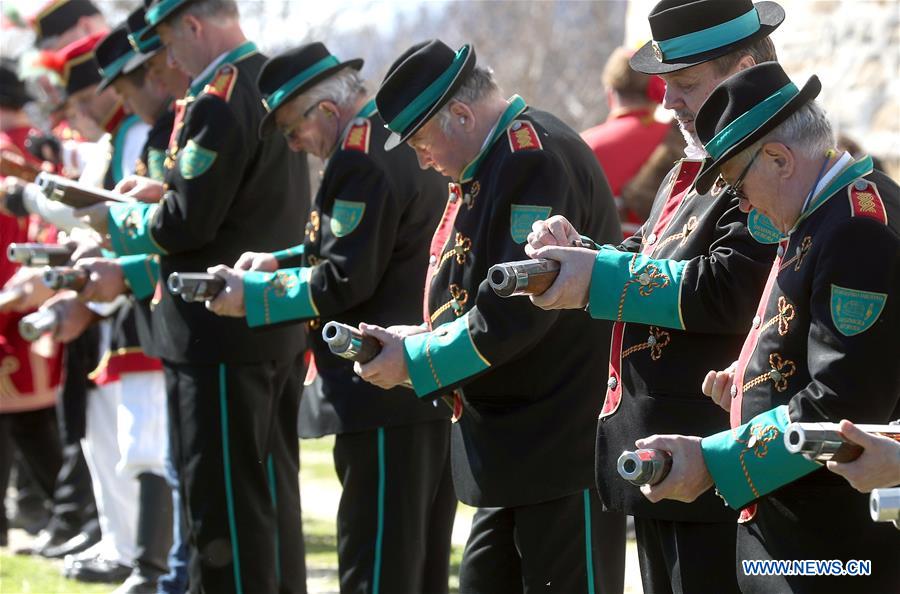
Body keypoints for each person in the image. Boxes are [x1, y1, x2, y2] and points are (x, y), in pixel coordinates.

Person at [523, 1, 784, 592]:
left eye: (685, 84)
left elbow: (730, 287)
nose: (667, 101)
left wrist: (598, 275)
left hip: (712, 450)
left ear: (744, 67)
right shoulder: (697, 159)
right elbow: (653, 253)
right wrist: (583, 250)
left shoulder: (771, 159)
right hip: (663, 450)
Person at [355, 39, 626, 593]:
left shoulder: (532, 157)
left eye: (422, 141)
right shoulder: (498, 161)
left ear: (460, 113)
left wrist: (416, 360)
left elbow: (512, 315)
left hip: (556, 445)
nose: (421, 159)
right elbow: (469, 293)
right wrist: (422, 336)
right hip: (510, 448)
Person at [205, 42, 458, 594]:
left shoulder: (359, 156)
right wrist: (281, 261)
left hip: (381, 388)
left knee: (377, 562)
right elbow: (354, 247)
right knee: (420, 563)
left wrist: (257, 293)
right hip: (417, 378)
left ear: (324, 111)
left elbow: (346, 277)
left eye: (294, 130)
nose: (296, 146)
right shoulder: (387, 143)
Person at [638, 61, 900, 593]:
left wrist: (714, 462)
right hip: (800, 530)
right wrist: (752, 379)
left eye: (737, 184)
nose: (741, 204)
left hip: (831, 546)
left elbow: (845, 400)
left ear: (779, 158)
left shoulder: (855, 226)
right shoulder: (827, 211)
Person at [80, 1, 311, 591]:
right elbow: (230, 199)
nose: (166, 63)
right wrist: (169, 190)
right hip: (267, 319)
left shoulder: (220, 97)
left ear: (193, 25)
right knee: (269, 498)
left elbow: (187, 223)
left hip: (220, 331)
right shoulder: (265, 82)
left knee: (226, 511)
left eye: (167, 40)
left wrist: (123, 216)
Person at [580, 46, 678, 237]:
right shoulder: (682, 137)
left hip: (598, 258)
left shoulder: (584, 144)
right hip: (667, 258)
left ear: (610, 93)